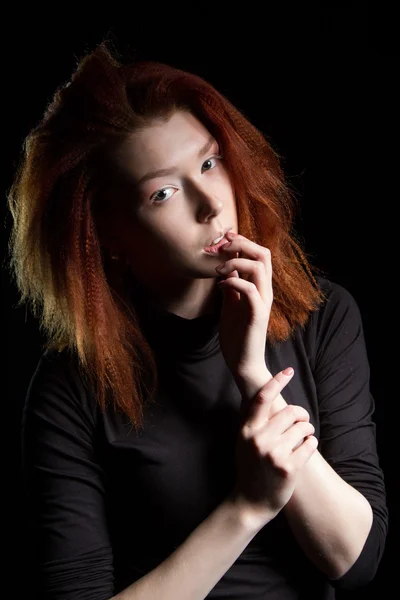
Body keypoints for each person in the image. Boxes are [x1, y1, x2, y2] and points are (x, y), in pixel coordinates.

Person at [9, 40, 388, 600]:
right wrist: (246, 507)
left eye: (209, 162)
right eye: (164, 192)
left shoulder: (322, 316)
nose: (210, 203)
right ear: (108, 236)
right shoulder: (71, 388)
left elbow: (356, 561)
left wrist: (255, 379)